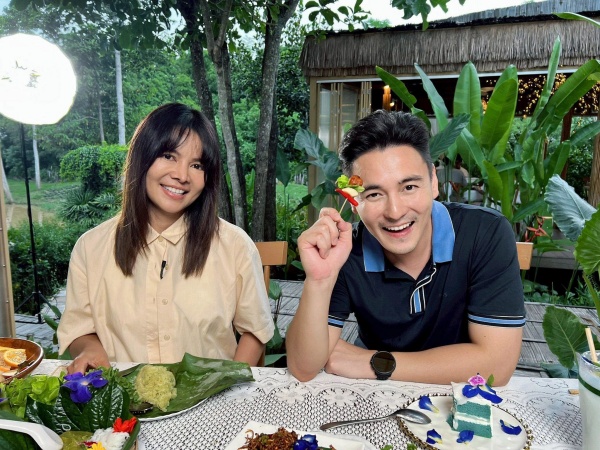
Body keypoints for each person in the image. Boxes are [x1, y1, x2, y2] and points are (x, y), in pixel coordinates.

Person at [286, 110, 525, 386]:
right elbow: (304, 368)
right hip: (377, 397)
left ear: (433, 181)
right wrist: (320, 280)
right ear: (355, 201)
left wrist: (373, 362)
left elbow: (496, 366)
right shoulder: (345, 250)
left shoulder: (486, 233)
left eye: (409, 187)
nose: (395, 212)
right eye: (374, 194)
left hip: (461, 400)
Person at [58, 103, 274, 374]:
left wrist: (225, 383)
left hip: (209, 395)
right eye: (169, 156)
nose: (182, 176)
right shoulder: (90, 248)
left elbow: (255, 331)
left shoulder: (235, 246)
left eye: (196, 165)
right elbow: (79, 329)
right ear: (142, 157)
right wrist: (90, 348)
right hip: (122, 395)